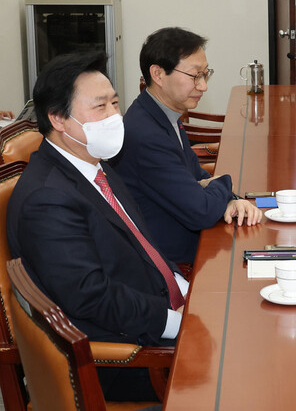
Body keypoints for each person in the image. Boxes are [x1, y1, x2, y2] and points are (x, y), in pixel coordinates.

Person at [6, 52, 187, 401]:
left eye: (115, 103)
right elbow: (91, 297)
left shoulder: (94, 165)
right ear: (58, 118)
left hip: (152, 313)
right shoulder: (46, 199)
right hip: (122, 359)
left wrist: (185, 287)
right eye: (100, 106)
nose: (114, 116)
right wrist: (179, 322)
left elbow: (142, 247)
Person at [112, 27, 263, 264]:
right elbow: (200, 211)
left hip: (196, 237)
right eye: (195, 76)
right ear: (158, 74)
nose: (203, 86)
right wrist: (224, 181)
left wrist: (230, 199)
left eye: (206, 74)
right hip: (171, 260)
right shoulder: (145, 133)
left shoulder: (165, 114)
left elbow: (197, 175)